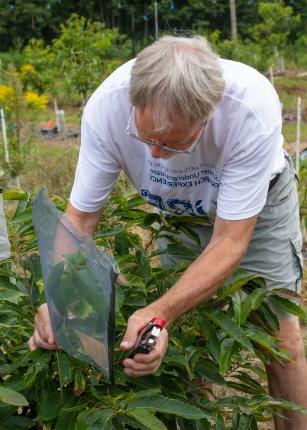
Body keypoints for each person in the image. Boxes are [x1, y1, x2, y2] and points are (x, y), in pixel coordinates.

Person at [28, 35, 307, 429]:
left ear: (206, 116)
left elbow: (230, 241)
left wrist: (158, 311)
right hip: (176, 213)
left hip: (256, 212)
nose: (155, 154)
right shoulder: (107, 107)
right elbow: (79, 221)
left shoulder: (250, 110)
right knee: (179, 341)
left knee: (280, 340)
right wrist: (58, 302)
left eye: (171, 142)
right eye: (146, 139)